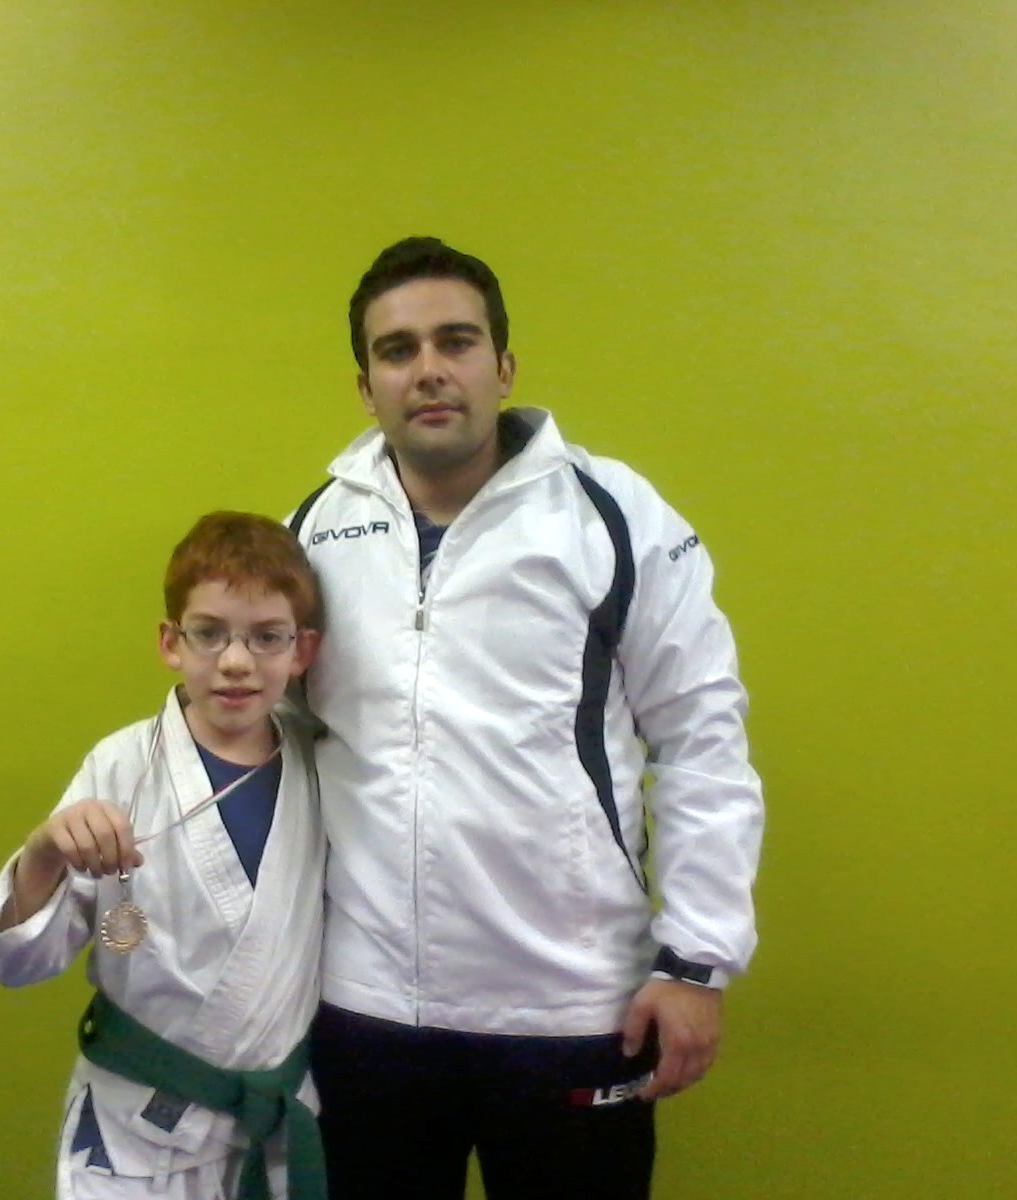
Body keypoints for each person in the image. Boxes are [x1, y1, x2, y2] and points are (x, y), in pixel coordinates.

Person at [289, 237, 765, 1200]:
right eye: (397, 350)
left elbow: (702, 737)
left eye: (456, 341)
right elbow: (274, 742)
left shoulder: (612, 516)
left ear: (503, 367)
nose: (429, 369)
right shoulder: (315, 531)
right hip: (365, 1013)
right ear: (366, 387)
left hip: (569, 1011)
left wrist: (697, 965)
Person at [0, 512, 327, 1200]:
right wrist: (44, 851)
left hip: (272, 1125)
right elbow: (18, 965)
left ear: (303, 650)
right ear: (171, 642)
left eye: (267, 637)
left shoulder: (323, 763)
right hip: (132, 1134)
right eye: (209, 633)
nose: (236, 661)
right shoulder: (121, 766)